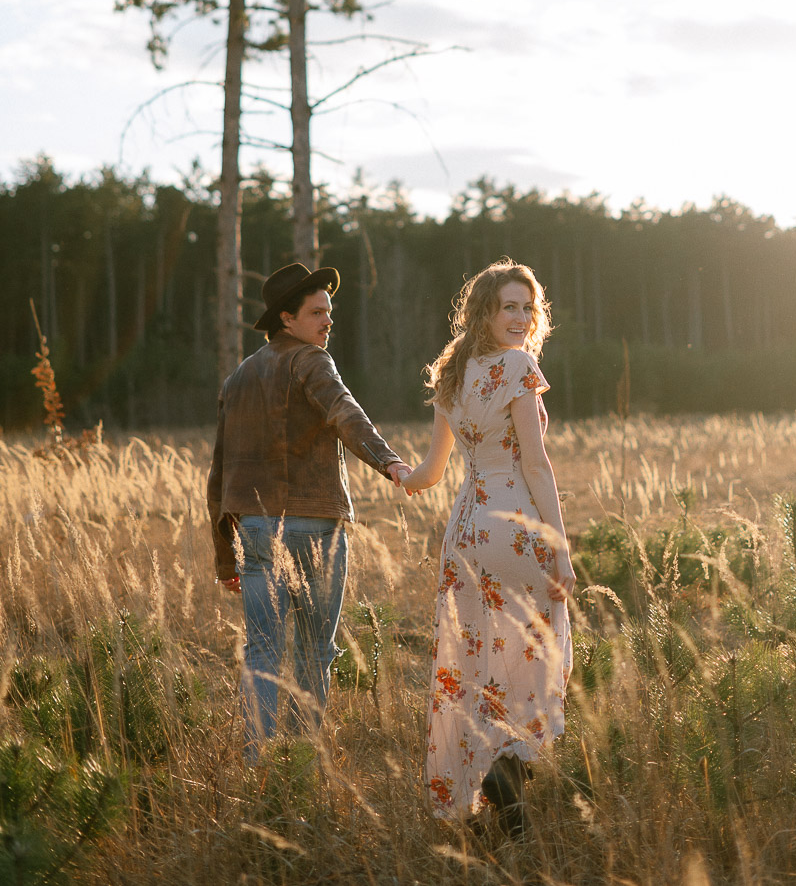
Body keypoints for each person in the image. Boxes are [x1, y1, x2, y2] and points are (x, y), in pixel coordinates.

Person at [207, 262, 411, 759]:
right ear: (286, 318)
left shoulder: (237, 378)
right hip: (312, 524)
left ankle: (258, 764)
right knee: (315, 652)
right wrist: (391, 462)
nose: (328, 322)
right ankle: (301, 765)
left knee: (262, 651)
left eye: (330, 312)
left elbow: (218, 474)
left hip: (251, 529)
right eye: (317, 312)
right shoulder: (312, 361)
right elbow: (345, 412)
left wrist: (223, 557)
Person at [399, 259, 574, 836]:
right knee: (533, 653)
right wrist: (562, 547)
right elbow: (536, 463)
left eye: (528, 307)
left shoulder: (454, 373)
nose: (521, 318)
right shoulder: (519, 367)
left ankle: (481, 782)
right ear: (485, 312)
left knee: (475, 658)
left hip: (467, 532)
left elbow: (429, 472)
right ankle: (506, 768)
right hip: (517, 524)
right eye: (509, 307)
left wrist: (392, 470)